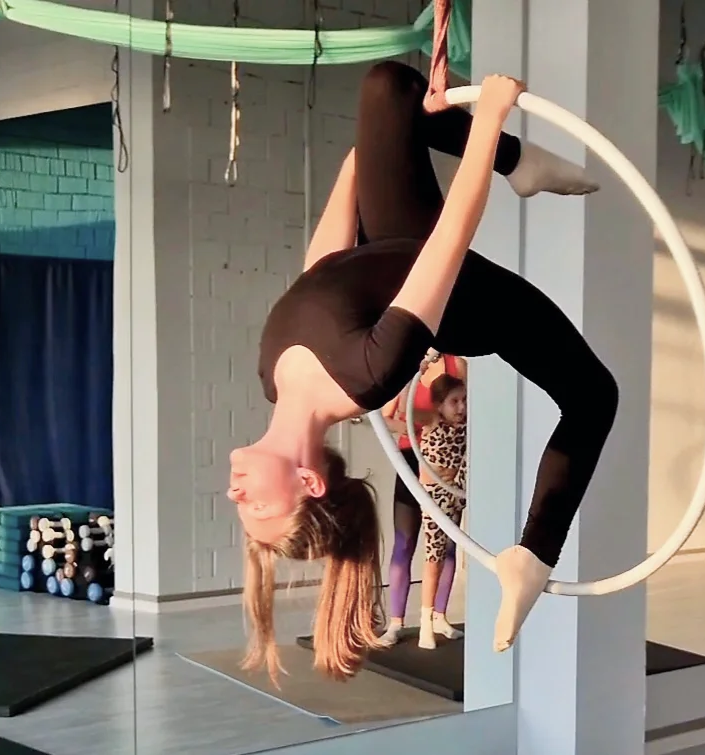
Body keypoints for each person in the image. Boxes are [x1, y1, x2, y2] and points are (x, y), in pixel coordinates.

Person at [228, 61, 616, 684]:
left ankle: (521, 164)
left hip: (393, 243)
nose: (235, 495)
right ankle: (535, 554)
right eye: (258, 506)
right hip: (469, 298)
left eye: (239, 506)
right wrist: (488, 121)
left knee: (390, 90)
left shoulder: (271, 376)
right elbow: (449, 242)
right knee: (595, 395)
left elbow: (325, 270)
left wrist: (369, 153)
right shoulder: (368, 376)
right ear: (309, 481)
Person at [377, 353, 467, 648]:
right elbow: (385, 417)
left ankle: (439, 615)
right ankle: (396, 622)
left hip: (447, 464)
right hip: (413, 456)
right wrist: (411, 423)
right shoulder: (408, 366)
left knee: (447, 545)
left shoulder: (457, 365)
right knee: (405, 540)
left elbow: (464, 411)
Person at [416, 372, 468, 650]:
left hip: (456, 495)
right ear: (439, 405)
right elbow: (405, 414)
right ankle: (425, 622)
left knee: (450, 554)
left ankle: (440, 616)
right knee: (433, 557)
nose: (461, 407)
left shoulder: (466, 426)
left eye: (464, 400)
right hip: (435, 498)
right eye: (454, 402)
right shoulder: (433, 422)